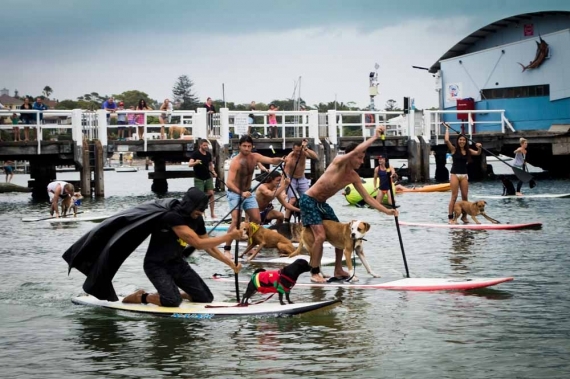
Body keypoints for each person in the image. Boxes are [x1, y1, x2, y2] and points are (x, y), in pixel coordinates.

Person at [63, 188, 242, 305]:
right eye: (199, 209)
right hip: (157, 265)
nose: (201, 213)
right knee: (172, 301)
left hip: (177, 263)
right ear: (190, 205)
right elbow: (197, 243)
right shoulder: (172, 217)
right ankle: (141, 296)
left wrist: (229, 263)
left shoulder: (197, 219)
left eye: (202, 210)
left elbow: (209, 246)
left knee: (206, 298)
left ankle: (173, 293)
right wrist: (230, 236)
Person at [300, 126, 398, 283]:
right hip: (308, 200)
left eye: (363, 158)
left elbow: (367, 198)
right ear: (351, 156)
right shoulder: (338, 163)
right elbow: (355, 150)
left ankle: (338, 269)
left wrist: (387, 211)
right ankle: (315, 272)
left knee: (342, 232)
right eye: (359, 157)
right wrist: (374, 138)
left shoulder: (353, 176)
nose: (361, 161)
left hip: (322, 203)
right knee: (320, 236)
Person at [222, 135, 285, 257]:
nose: (246, 148)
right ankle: (227, 248)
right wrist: (241, 193)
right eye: (244, 146)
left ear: (252, 147)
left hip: (248, 193)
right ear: (239, 146)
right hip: (235, 193)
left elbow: (271, 160)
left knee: (256, 220)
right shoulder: (235, 162)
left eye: (249, 146)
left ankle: (250, 245)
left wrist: (281, 160)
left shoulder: (255, 157)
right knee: (236, 221)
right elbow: (229, 183)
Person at [443, 122, 482, 224]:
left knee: (465, 198)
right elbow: (446, 140)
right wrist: (447, 129)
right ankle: (450, 218)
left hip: (464, 175)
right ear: (458, 141)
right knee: (454, 197)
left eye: (464, 140)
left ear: (466, 141)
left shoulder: (468, 150)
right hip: (455, 174)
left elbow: (478, 153)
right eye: (460, 140)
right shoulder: (454, 150)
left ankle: (464, 217)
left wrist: (479, 147)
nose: (462, 141)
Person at [283, 139, 318, 222]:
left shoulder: (303, 152)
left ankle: (307, 219)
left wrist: (305, 148)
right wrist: (283, 187)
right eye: (296, 151)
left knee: (307, 199)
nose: (298, 153)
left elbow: (315, 157)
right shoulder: (290, 158)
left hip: (302, 179)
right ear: (293, 149)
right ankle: (286, 220)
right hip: (291, 179)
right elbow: (285, 173)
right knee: (292, 199)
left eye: (299, 151)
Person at [188, 139, 217, 219]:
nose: (206, 147)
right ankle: (202, 214)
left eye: (206, 145)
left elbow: (210, 165)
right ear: (200, 145)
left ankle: (212, 213)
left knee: (211, 194)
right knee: (200, 197)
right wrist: (196, 163)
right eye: (204, 145)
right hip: (198, 178)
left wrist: (213, 172)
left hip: (208, 177)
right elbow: (189, 164)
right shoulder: (195, 154)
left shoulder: (208, 154)